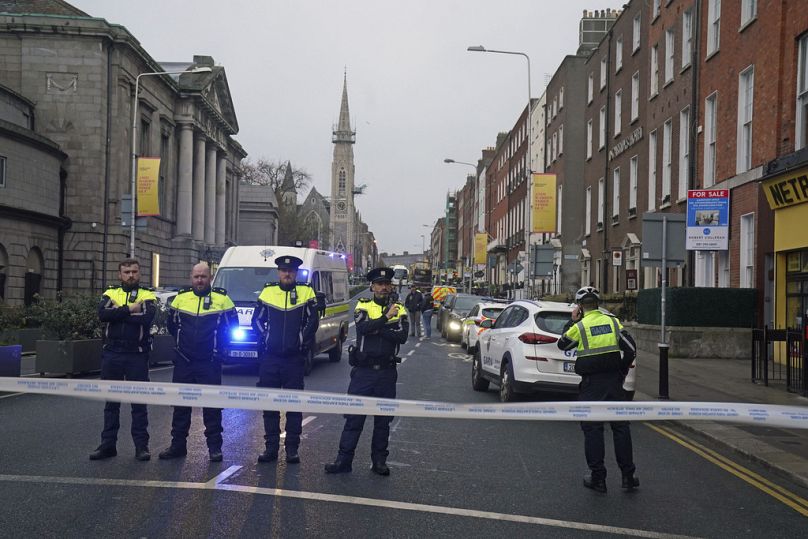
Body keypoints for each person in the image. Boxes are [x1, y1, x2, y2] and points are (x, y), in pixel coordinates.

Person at [325, 267, 409, 476]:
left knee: (383, 421)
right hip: (363, 373)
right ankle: (343, 460)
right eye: (379, 284)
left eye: (386, 284)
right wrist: (385, 321)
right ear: (372, 287)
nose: (383, 287)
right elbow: (363, 328)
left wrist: (377, 328)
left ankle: (379, 462)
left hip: (386, 374)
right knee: (354, 419)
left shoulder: (400, 308)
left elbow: (402, 336)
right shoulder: (363, 305)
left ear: (390, 286)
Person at [557, 286, 639, 493]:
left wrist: (573, 321)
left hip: (592, 385)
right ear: (598, 304)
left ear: (580, 307)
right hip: (614, 382)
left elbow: (562, 345)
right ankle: (628, 477)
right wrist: (621, 371)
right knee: (621, 429)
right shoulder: (612, 322)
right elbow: (630, 348)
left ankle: (598, 478)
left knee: (593, 430)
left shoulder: (581, 326)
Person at [158, 262, 238, 463]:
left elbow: (232, 328)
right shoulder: (181, 299)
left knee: (211, 407)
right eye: (196, 277)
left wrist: (219, 351)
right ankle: (178, 446)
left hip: (209, 363)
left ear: (210, 278)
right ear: (191, 278)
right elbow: (172, 324)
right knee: (180, 407)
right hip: (184, 362)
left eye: (203, 276)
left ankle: (214, 448)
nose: (200, 280)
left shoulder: (222, 299)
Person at [251, 255, 319, 465]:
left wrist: (300, 340)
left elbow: (313, 321)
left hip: (293, 360)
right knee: (269, 405)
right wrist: (266, 338)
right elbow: (256, 320)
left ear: (296, 273)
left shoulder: (306, 292)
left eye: (290, 271)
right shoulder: (268, 291)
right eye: (283, 270)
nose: (287, 273)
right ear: (278, 272)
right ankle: (270, 448)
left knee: (294, 406)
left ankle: (292, 449)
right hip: (270, 359)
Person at [90, 258, 156, 461]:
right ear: (120, 275)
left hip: (136, 354)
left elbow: (145, 319)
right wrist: (129, 309)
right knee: (112, 403)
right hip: (112, 354)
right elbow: (102, 314)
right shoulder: (111, 293)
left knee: (138, 403)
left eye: (134, 272)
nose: (130, 275)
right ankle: (108, 445)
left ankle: (141, 447)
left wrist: (117, 314)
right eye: (126, 272)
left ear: (139, 273)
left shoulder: (147, 295)